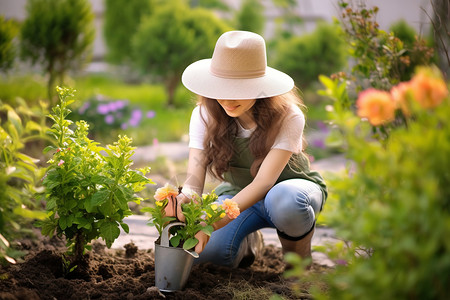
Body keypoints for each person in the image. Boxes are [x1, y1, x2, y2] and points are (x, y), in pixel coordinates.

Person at [171, 30, 327, 268]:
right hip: (237, 194)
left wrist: (212, 222)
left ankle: (298, 264)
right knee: (209, 256)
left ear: (258, 86)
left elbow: (265, 183)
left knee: (285, 200)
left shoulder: (287, 116)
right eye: (220, 87)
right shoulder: (205, 114)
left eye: (239, 89)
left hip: (291, 191)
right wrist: (187, 200)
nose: (226, 100)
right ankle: (248, 241)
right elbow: (195, 174)